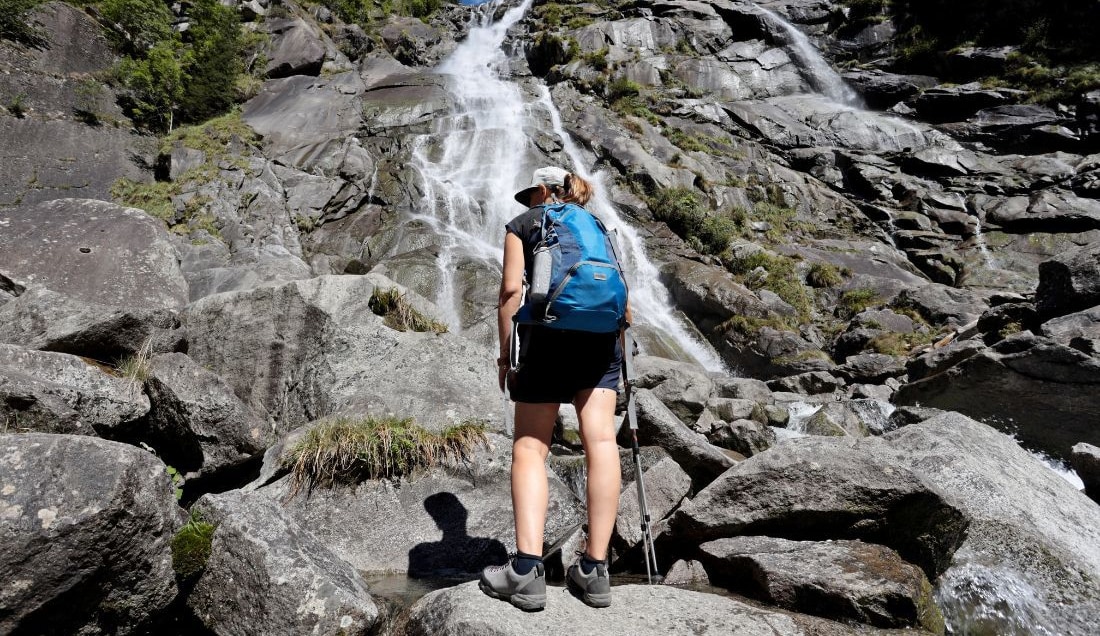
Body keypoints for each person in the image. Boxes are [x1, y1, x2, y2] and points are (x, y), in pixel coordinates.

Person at [479, 166, 628, 611]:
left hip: (547, 338)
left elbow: (510, 290)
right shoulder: (599, 227)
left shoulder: (524, 224)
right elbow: (623, 295)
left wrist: (506, 355)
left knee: (529, 447)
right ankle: (595, 570)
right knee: (601, 442)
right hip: (602, 340)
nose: (528, 203)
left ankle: (525, 570)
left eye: (532, 195)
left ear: (544, 191)